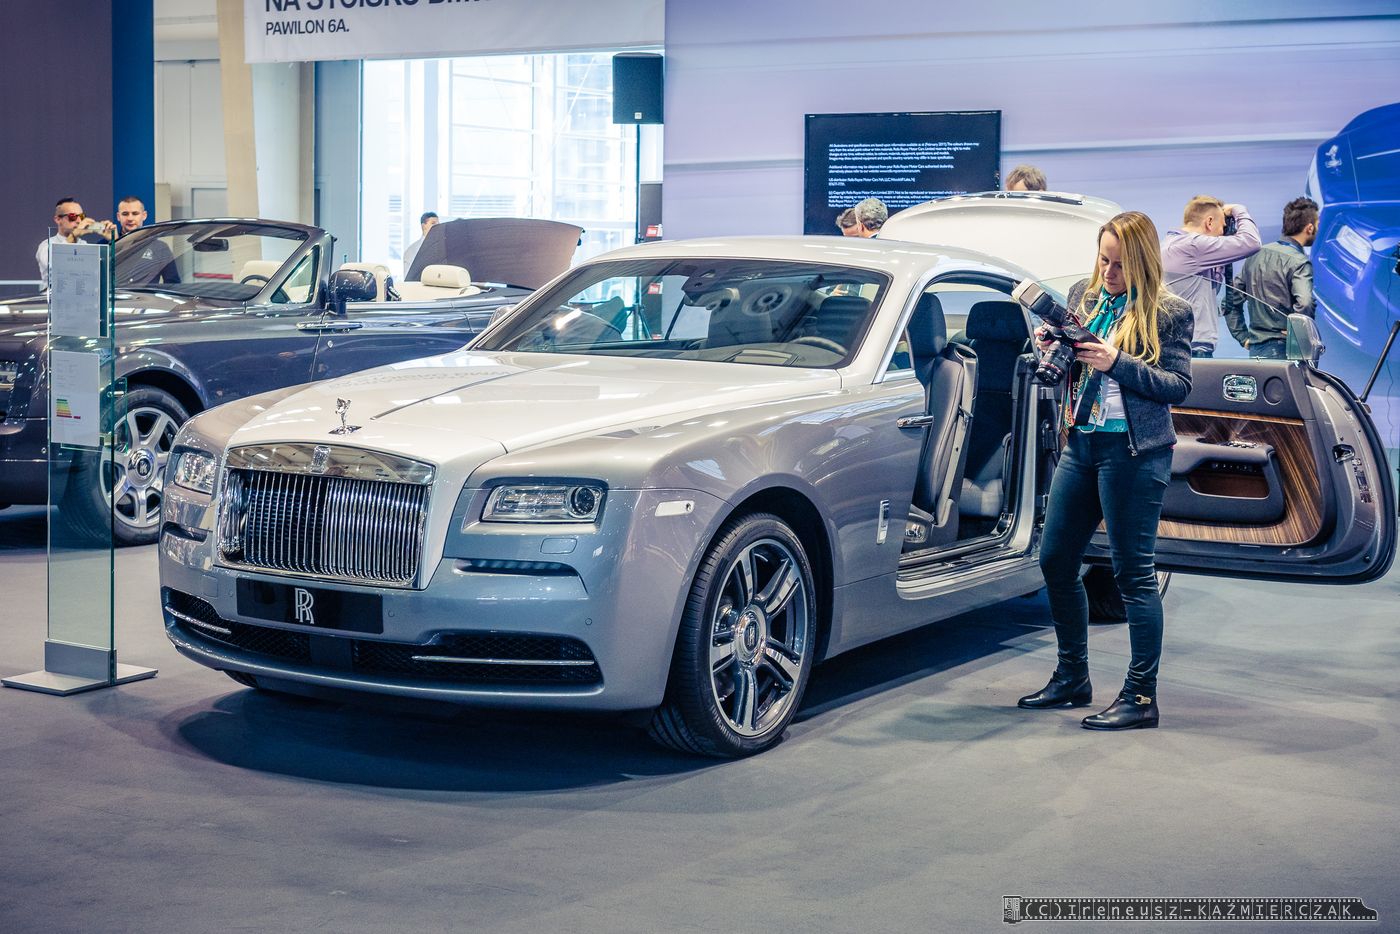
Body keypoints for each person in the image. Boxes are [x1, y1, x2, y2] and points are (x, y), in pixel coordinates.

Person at [1019, 210, 1193, 731]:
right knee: (1055, 559)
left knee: (1132, 575)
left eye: (1119, 264)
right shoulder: (1084, 296)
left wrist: (1116, 362)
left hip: (1135, 453)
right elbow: (1069, 360)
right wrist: (1052, 346)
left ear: (1142, 262)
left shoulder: (1170, 312)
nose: (1108, 272)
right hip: (1082, 443)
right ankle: (1073, 676)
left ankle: (1140, 696)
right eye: (1103, 260)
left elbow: (1178, 386)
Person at [1160, 195, 1261, 358]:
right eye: (1222, 227)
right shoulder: (1193, 245)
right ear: (1209, 222)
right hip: (1192, 350)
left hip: (1177, 346)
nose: (1222, 233)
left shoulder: (1171, 243)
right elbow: (1252, 242)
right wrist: (1239, 209)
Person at [1222, 197, 1318, 360]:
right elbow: (1305, 303)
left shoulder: (1255, 255)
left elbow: (1229, 301)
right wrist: (1297, 333)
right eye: (1317, 224)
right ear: (1309, 228)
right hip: (1287, 351)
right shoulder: (1299, 262)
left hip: (1257, 351)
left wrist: (1243, 337)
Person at [36, 197, 114, 282]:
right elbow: (53, 266)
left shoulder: (85, 245)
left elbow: (105, 271)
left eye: (81, 216)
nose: (79, 221)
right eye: (72, 216)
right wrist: (72, 236)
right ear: (58, 219)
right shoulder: (46, 245)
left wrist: (114, 240)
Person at [113, 195, 180, 286]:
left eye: (135, 213)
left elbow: (173, 283)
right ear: (118, 216)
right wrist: (114, 243)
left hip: (146, 296)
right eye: (125, 214)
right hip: (115, 295)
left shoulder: (160, 248)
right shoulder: (106, 244)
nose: (130, 218)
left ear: (144, 215)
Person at [402, 210, 439, 278]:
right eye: (433, 223)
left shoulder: (440, 248)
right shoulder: (411, 250)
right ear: (423, 226)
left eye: (438, 224)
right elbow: (408, 277)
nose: (437, 226)